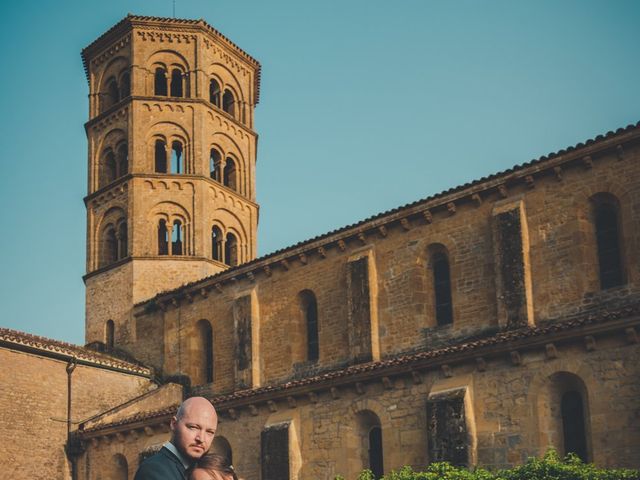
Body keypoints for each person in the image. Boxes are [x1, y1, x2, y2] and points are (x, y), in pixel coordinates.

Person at [134, 396, 218, 480]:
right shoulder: (154, 469)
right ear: (174, 424)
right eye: (193, 427)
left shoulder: (198, 470)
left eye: (209, 432)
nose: (201, 439)